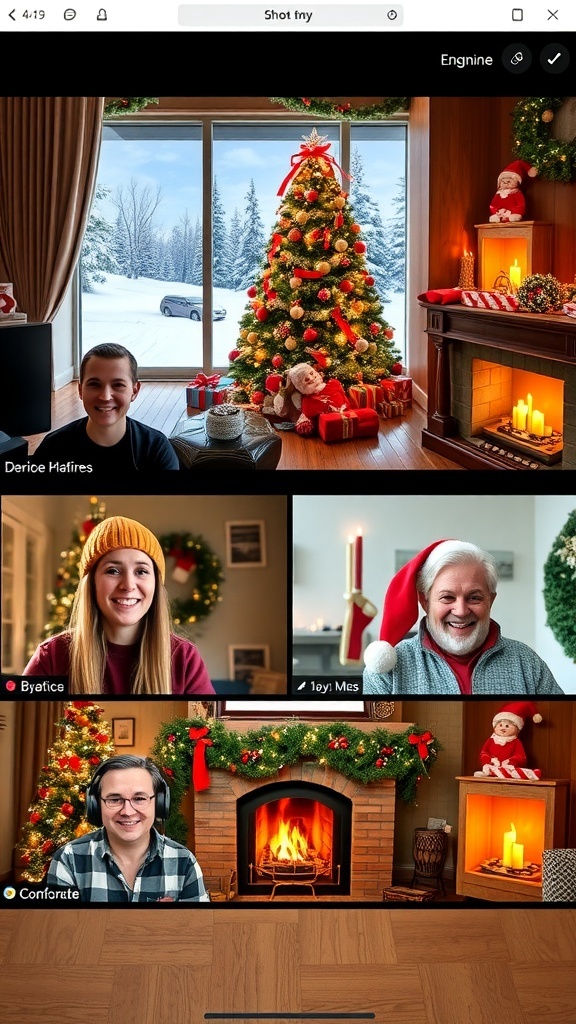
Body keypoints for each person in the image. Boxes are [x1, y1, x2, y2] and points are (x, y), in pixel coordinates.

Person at [23, 515, 215, 695]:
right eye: (113, 570)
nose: (128, 585)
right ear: (92, 583)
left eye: (141, 571)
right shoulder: (51, 657)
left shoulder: (184, 659)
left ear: (156, 584)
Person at [362, 539, 564, 695]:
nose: (461, 610)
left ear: (490, 601)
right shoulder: (387, 672)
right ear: (425, 602)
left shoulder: (526, 662)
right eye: (447, 597)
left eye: (474, 597)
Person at [47, 755, 210, 903]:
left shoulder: (184, 862)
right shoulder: (69, 859)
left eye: (139, 798)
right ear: (96, 805)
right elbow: (63, 933)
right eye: (115, 799)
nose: (127, 812)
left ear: (159, 803)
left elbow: (197, 933)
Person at [30, 342, 179, 470]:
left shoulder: (156, 449)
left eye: (118, 385)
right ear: (81, 390)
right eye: (95, 384)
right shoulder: (53, 448)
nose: (105, 397)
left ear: (134, 391)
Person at [474, 701, 542, 780]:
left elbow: (521, 757)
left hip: (508, 768)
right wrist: (490, 760)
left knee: (513, 772)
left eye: (507, 726)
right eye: (500, 725)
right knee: (488, 768)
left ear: (516, 729)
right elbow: (484, 753)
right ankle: (490, 771)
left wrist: (510, 762)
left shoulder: (515, 742)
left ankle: (532, 774)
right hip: (492, 765)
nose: (503, 728)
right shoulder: (491, 740)